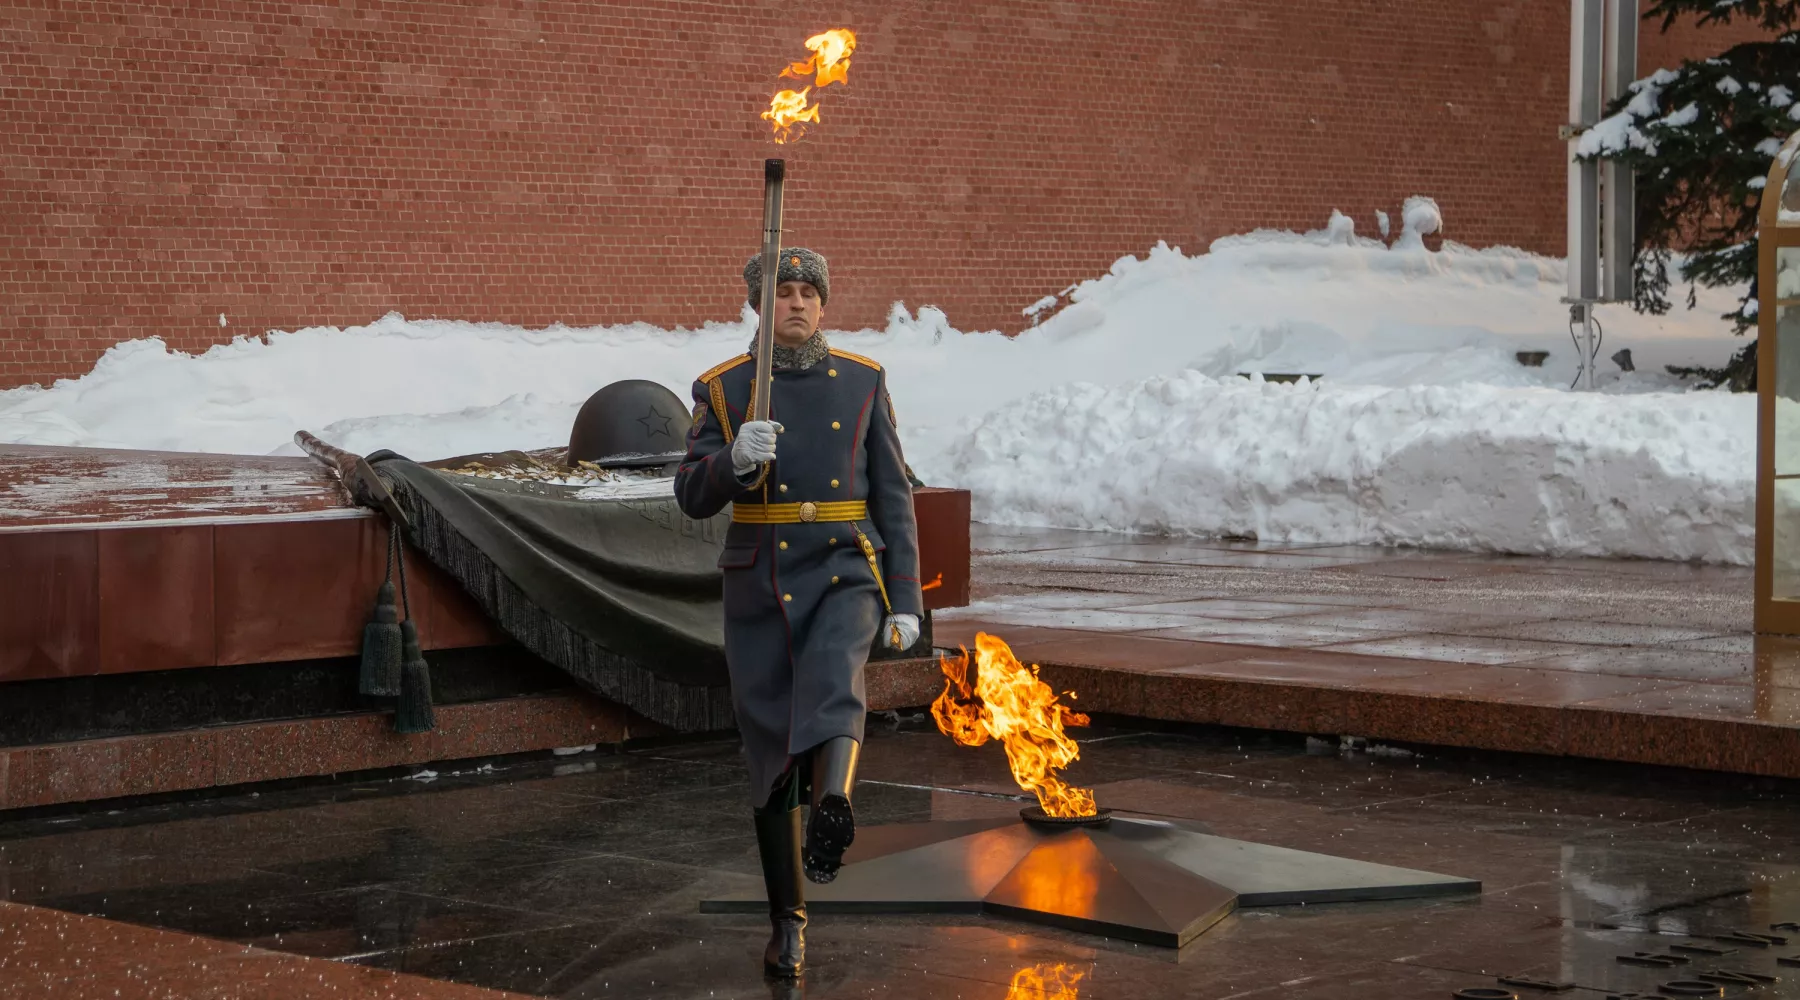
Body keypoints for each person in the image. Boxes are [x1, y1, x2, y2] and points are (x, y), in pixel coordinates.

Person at [673, 247, 923, 979]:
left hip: (846, 564)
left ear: (824, 302)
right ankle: (789, 920)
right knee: (769, 758)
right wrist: (733, 463)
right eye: (783, 291)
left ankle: (834, 805)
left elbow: (895, 497)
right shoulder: (725, 389)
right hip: (760, 580)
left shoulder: (864, 381)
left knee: (837, 676)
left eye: (809, 291)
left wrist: (905, 599)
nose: (798, 303)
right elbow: (691, 495)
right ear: (760, 303)